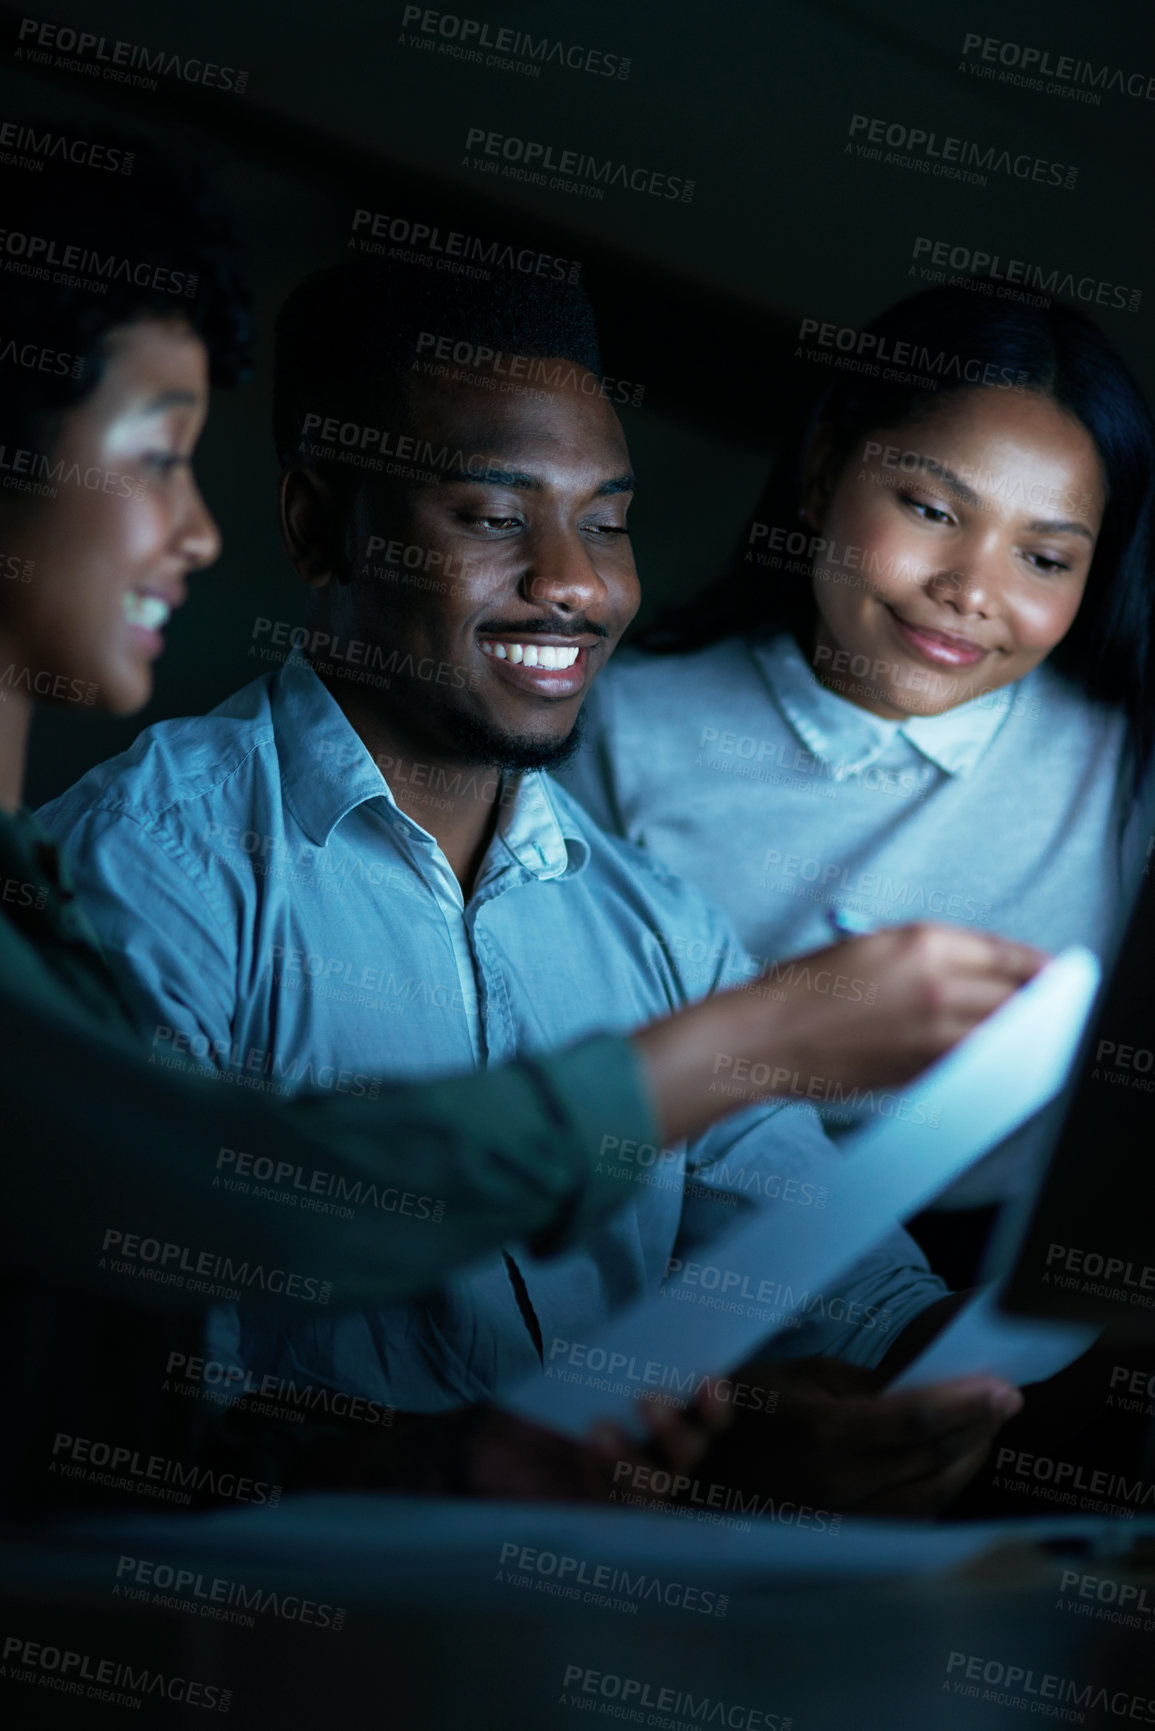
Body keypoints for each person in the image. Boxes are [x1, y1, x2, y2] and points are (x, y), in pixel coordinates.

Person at [42, 255, 1039, 1513]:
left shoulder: (658, 922)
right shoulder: (149, 868)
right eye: (495, 517)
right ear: (314, 525)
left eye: (607, 520)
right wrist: (458, 1465)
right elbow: (118, 1396)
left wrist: (931, 1387)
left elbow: (834, 1282)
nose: (575, 580)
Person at [561, 282, 1155, 1283]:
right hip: (682, 1254)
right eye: (931, 509)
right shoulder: (620, 727)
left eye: (1044, 557)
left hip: (1007, 1272)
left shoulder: (1125, 772)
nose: (971, 590)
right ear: (825, 469)